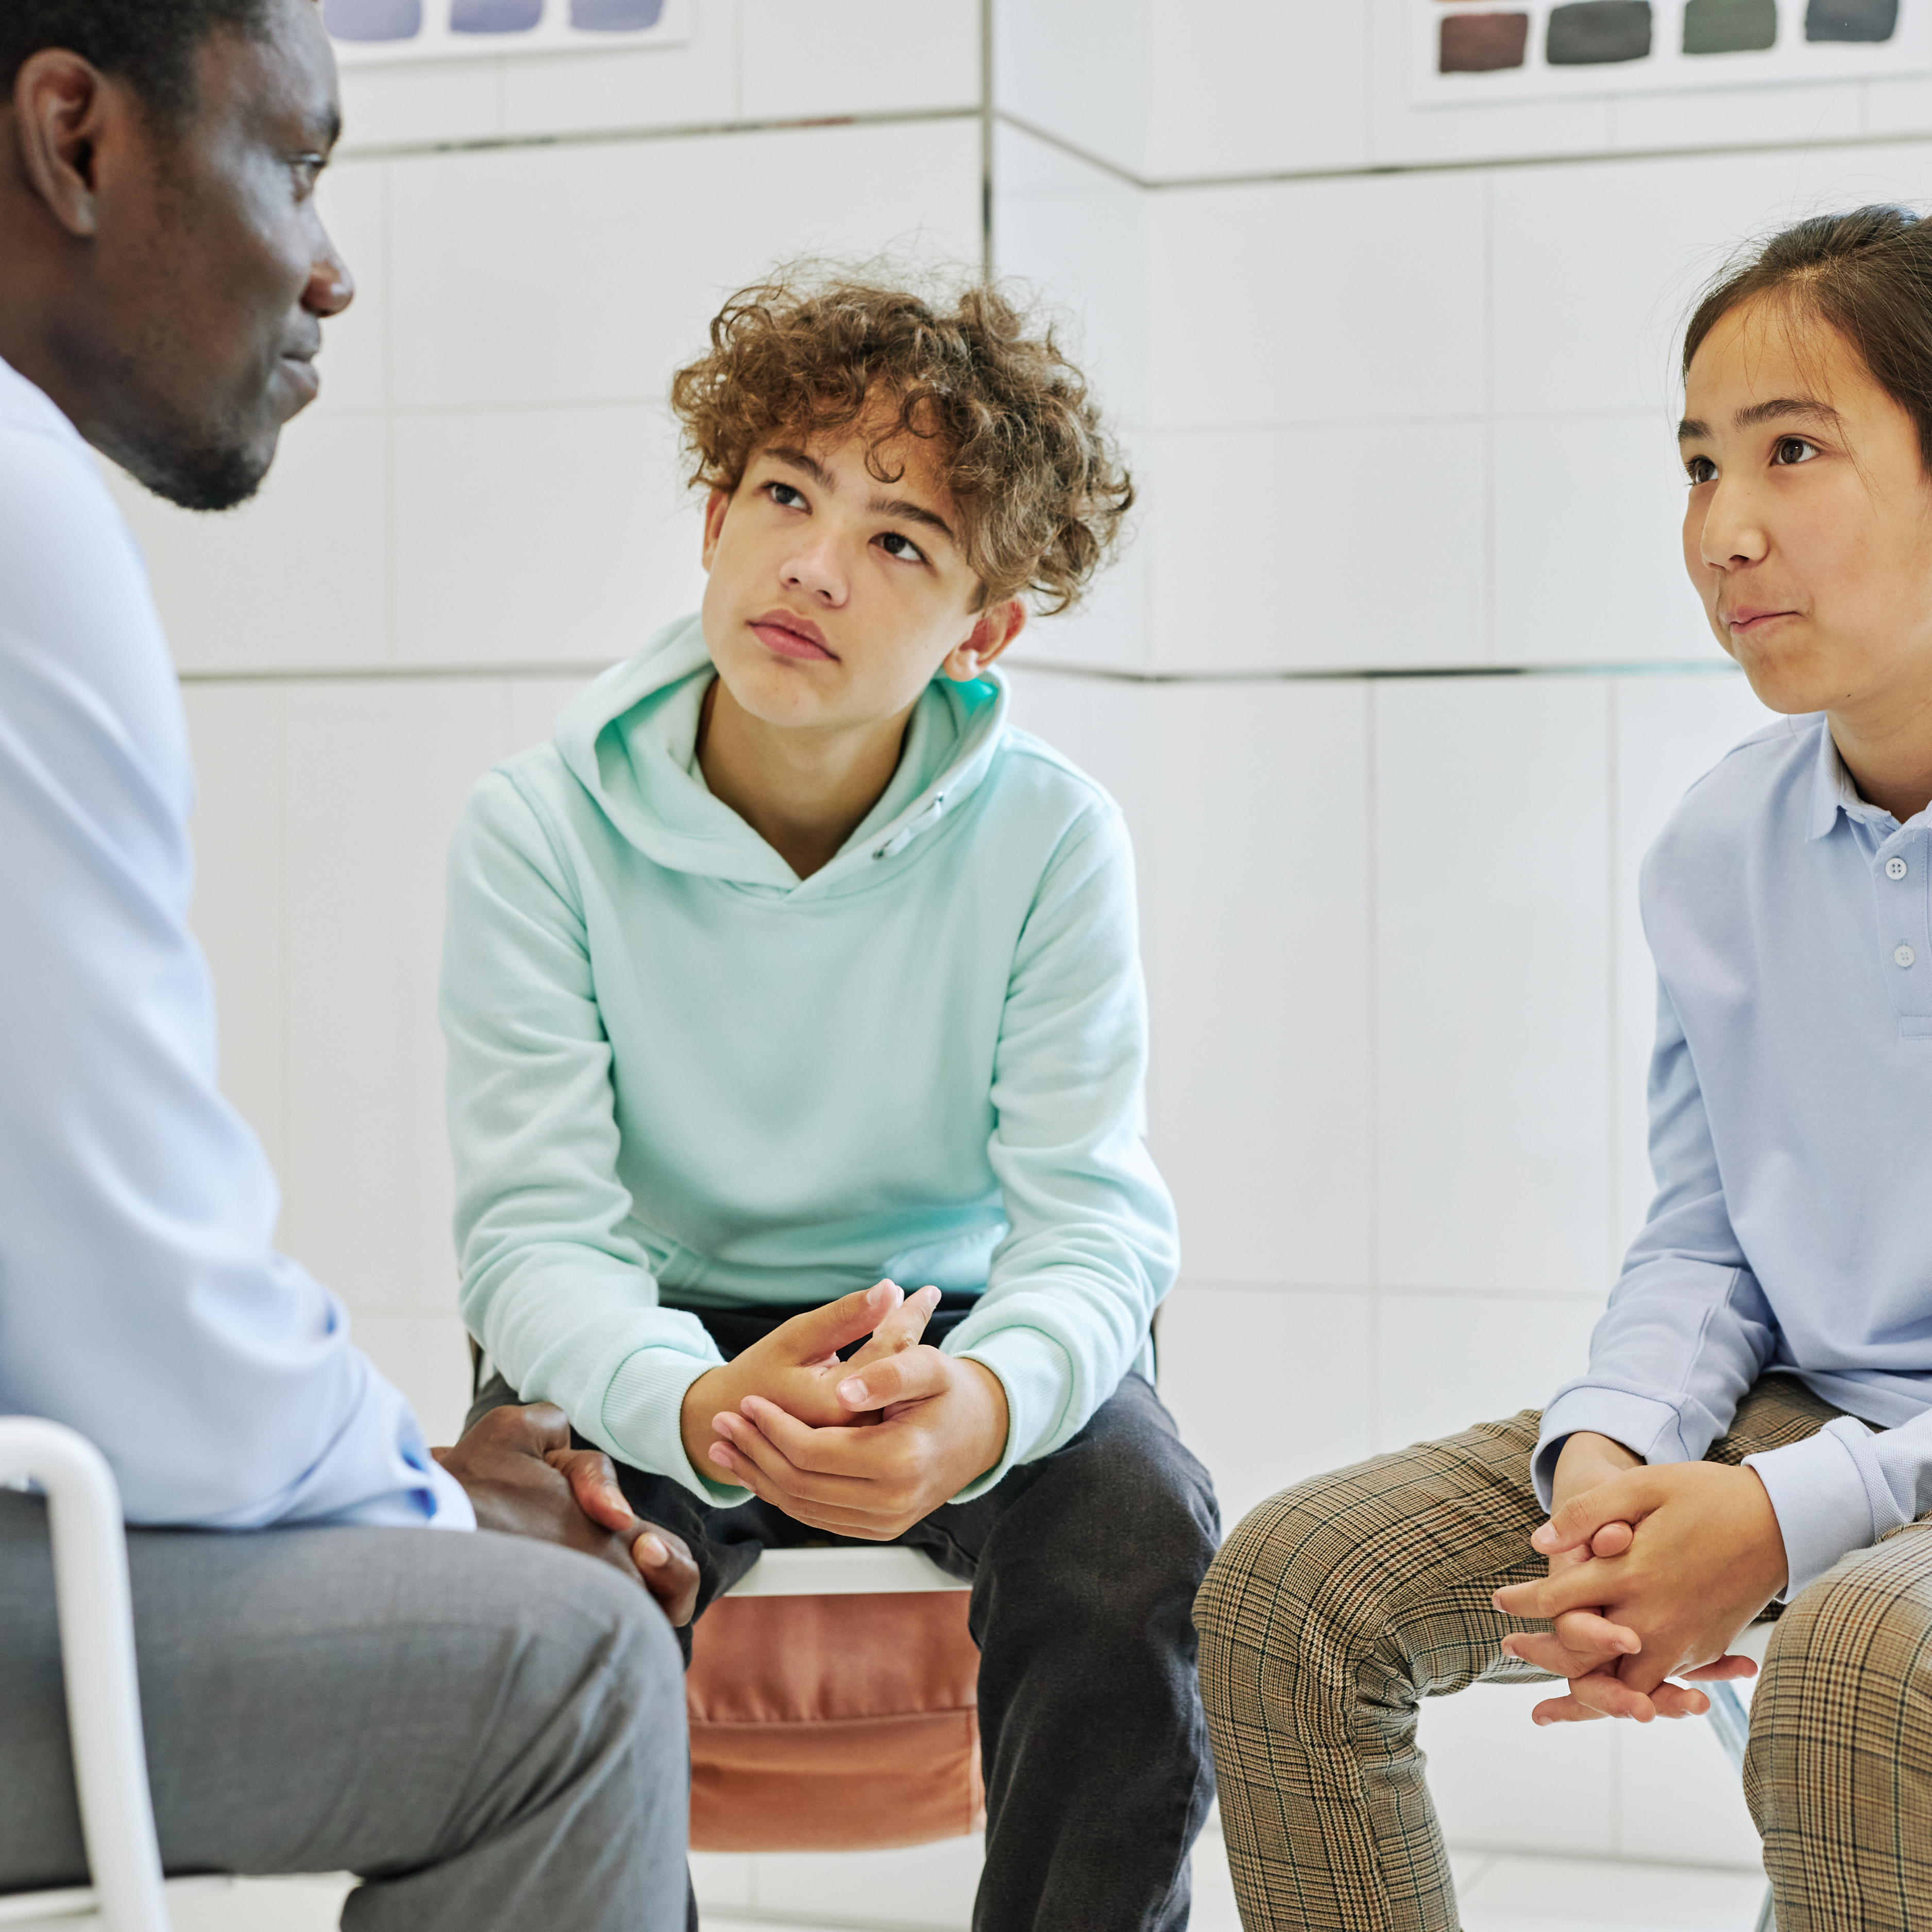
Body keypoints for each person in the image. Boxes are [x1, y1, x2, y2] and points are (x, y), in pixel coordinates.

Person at [0, 5, 698, 1926]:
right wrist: (427, 1494)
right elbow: (117, 1299)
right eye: (293, 163)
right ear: (75, 139)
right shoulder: (18, 510)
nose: (329, 264)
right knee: (560, 1674)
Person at [442, 268, 1221, 1930]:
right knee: (534, 1576)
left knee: (1135, 1539)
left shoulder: (1052, 837)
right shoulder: (534, 829)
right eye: (786, 495)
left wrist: (986, 1405)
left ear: (981, 629)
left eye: (900, 540)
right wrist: (694, 1401)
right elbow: (530, 1242)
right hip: (638, 1317)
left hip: (955, 1317)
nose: (813, 563)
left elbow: (1095, 1228)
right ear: (714, 517)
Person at [1195, 203, 1932, 1932]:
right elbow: (1707, 1234)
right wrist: (1606, 1458)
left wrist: (1777, 1515)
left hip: (1844, 1476)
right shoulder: (1713, 845)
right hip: (1811, 1411)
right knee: (1293, 1591)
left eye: (1791, 448)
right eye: (1694, 464)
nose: (1722, 530)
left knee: (1856, 1657)